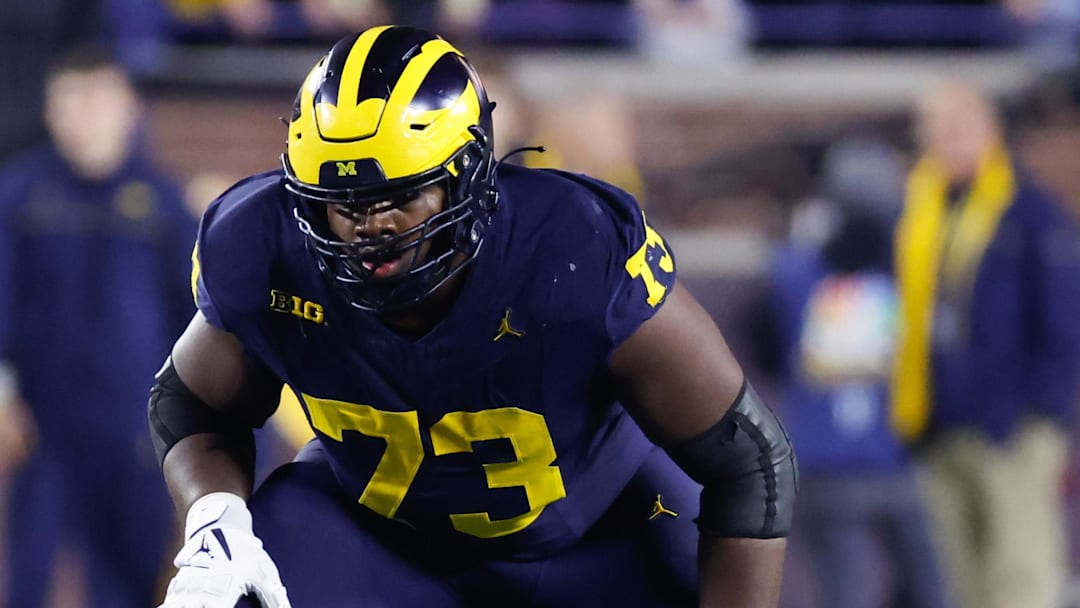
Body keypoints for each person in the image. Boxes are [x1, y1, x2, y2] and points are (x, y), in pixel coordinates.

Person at [150, 24, 797, 608]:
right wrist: (214, 517)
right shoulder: (262, 249)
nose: (371, 229)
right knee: (235, 586)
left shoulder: (571, 257)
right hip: (380, 546)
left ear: (469, 177)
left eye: (401, 197)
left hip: (596, 541)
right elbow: (191, 405)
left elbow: (750, 462)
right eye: (342, 204)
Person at [0, 45, 197, 607]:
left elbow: (199, 323)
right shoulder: (21, 196)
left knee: (130, 581)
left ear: (126, 106)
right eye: (69, 103)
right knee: (29, 576)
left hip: (135, 432)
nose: (83, 119)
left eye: (95, 100)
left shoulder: (163, 205)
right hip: (43, 427)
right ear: (49, 110)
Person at [892, 80, 1080, 608]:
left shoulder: (1029, 214)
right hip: (942, 421)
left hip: (1012, 428)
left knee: (1019, 578)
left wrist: (1040, 413)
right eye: (931, 130)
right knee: (962, 582)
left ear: (987, 129)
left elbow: (1063, 324)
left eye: (953, 127)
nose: (941, 141)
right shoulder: (923, 212)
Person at [761, 139, 948, 608]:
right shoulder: (905, 270)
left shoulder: (796, 267)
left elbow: (771, 346)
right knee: (920, 585)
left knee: (850, 589)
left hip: (830, 458)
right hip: (885, 455)